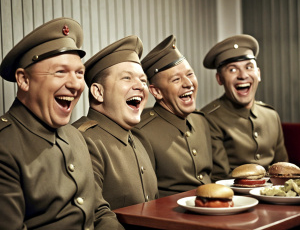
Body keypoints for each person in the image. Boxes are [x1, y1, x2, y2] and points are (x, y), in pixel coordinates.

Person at [0, 17, 123, 230]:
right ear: (24, 80)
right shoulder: (5, 145)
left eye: (79, 73)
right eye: (60, 72)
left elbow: (99, 210)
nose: (76, 84)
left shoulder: (75, 135)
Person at [72, 35, 158, 210]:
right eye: (127, 78)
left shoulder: (139, 140)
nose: (140, 86)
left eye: (143, 80)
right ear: (98, 92)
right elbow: (94, 214)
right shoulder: (82, 140)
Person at [201, 34, 289, 182]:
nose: (243, 75)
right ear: (219, 79)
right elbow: (221, 179)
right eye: (232, 70)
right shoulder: (208, 118)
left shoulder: (271, 115)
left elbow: (284, 171)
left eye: (249, 67)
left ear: (258, 74)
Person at [133, 35, 213, 198]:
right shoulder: (142, 131)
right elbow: (148, 196)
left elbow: (216, 179)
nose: (188, 83)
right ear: (156, 91)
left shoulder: (201, 120)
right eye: (176, 79)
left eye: (190, 74)